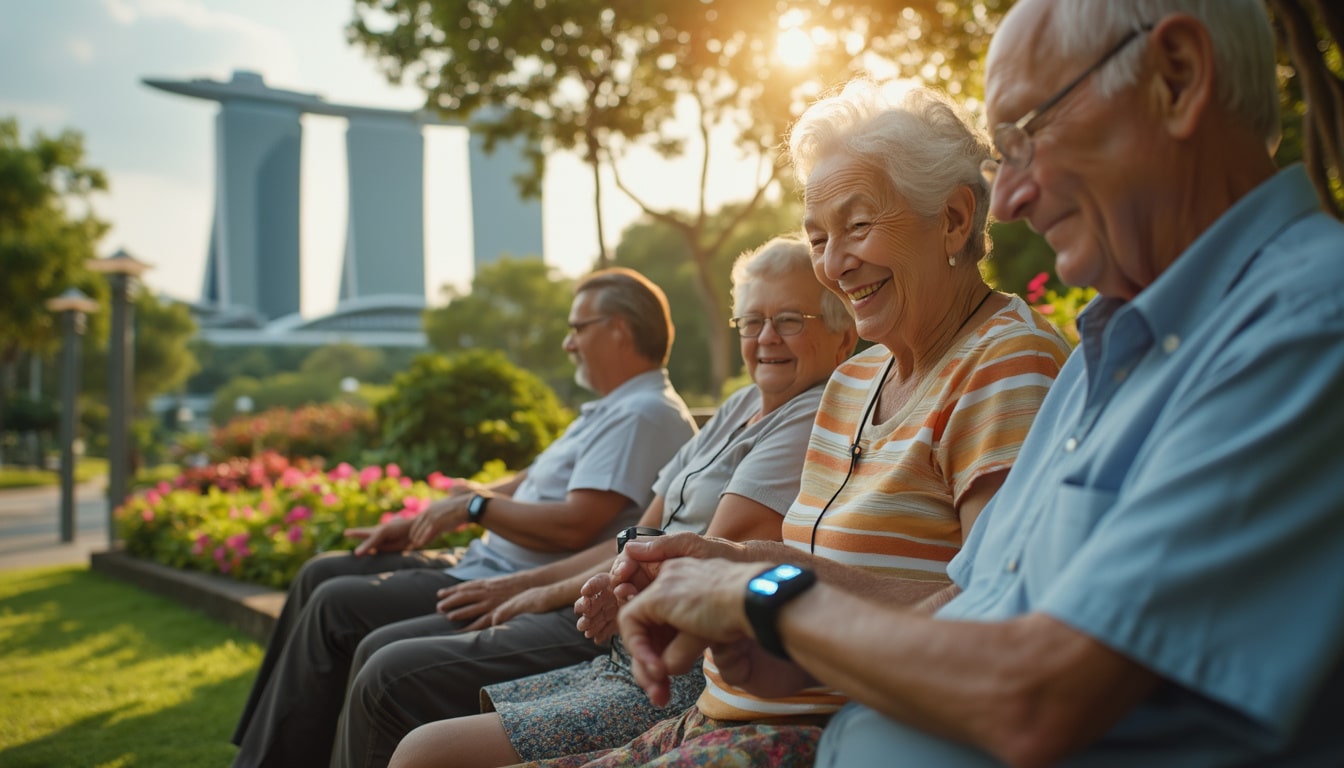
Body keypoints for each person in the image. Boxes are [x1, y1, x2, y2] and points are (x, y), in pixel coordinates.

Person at [610, 1, 1344, 766]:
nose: (1015, 197)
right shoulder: (1115, 350)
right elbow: (975, 603)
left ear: (1179, 78)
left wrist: (769, 602)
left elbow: (1039, 697)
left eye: (1028, 136)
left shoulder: (1303, 325)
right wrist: (781, 627)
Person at [397, 81, 1073, 768]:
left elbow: (994, 613)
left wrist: (763, 580)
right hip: (722, 705)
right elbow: (797, 564)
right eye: (818, 238)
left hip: (821, 734)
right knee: (426, 754)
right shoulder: (855, 379)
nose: (835, 265)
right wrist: (720, 569)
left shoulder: (1008, 365)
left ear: (955, 219)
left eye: (859, 225)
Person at [332, 236, 859, 767]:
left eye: (790, 319)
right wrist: (546, 586)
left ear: (844, 334)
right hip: (622, 646)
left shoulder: (813, 413)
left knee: (404, 705)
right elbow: (638, 538)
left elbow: (700, 559)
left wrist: (545, 591)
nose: (766, 337)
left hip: (674, 675)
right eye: (751, 321)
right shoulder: (744, 402)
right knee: (398, 693)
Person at [231, 268, 699, 768]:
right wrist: (436, 514)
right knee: (320, 575)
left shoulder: (642, 413)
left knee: (339, 611)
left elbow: (576, 525)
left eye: (577, 327)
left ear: (619, 329)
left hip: (509, 580)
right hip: (484, 563)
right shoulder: (613, 409)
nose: (568, 343)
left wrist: (475, 509)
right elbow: (526, 480)